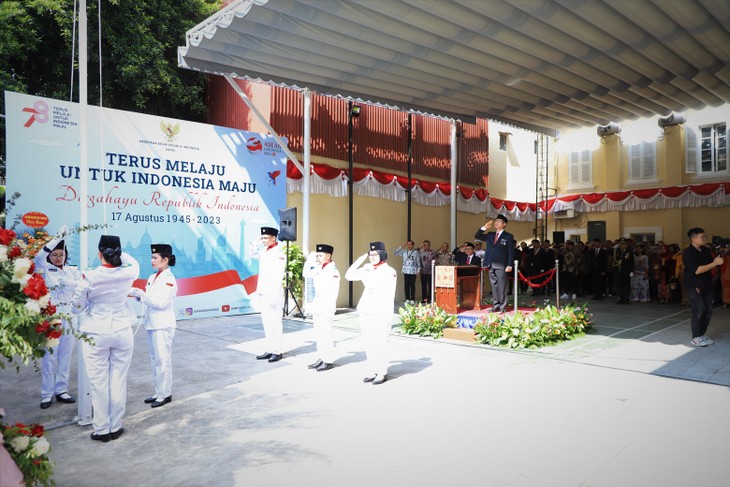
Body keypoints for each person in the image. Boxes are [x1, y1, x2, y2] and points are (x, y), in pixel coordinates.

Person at [71, 235, 139, 442]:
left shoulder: (89, 276)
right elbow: (133, 261)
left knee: (99, 382)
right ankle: (116, 426)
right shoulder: (130, 271)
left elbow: (76, 307)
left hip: (96, 332)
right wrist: (119, 252)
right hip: (122, 330)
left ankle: (101, 430)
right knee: (118, 379)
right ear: (118, 252)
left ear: (99, 253)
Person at [34, 226, 81, 409]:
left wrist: (71, 284)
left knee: (66, 355)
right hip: (52, 318)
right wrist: (58, 237)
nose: (58, 258)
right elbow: (39, 255)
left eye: (61, 255)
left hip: (69, 318)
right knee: (49, 357)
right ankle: (46, 394)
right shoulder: (45, 268)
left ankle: (62, 390)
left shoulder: (72, 271)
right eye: (54, 255)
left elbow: (83, 286)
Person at [129, 244, 178, 408]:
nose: (152, 260)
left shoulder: (169, 280)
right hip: (152, 323)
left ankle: (165, 394)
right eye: (151, 257)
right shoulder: (152, 277)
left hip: (163, 324)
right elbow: (149, 298)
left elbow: (160, 302)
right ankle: (159, 392)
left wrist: (141, 295)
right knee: (155, 360)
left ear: (165, 260)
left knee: (163, 360)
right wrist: (139, 295)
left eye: (155, 258)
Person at [345, 241, 397, 385]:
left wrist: (387, 315)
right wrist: (361, 259)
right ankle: (373, 370)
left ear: (382, 254)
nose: (372, 257)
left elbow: (388, 294)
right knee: (369, 342)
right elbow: (348, 276)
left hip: (381, 311)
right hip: (366, 309)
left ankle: (382, 372)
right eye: (370, 254)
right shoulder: (367, 268)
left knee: (380, 342)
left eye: (375, 254)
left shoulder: (389, 271)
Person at [682, 228, 724, 347]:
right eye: (702, 237)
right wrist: (715, 263)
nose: (705, 239)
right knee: (699, 310)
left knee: (709, 312)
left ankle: (701, 335)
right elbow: (697, 270)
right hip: (693, 285)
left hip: (707, 285)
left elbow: (709, 266)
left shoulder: (705, 250)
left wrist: (717, 261)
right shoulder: (688, 252)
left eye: (705, 236)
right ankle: (695, 336)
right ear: (693, 239)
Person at [302, 244, 340, 372]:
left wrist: (327, 308)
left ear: (328, 256)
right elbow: (305, 273)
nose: (318, 257)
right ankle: (322, 357)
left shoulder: (333, 271)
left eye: (320, 255)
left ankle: (328, 360)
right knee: (319, 334)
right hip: (318, 305)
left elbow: (333, 293)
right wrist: (309, 260)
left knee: (326, 334)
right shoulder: (319, 268)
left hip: (326, 306)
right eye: (317, 255)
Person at [253, 227, 287, 363]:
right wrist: (256, 242)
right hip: (263, 291)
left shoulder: (279, 252)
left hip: (274, 293)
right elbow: (252, 253)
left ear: (274, 237)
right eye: (262, 238)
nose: (263, 240)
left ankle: (277, 351)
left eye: (265, 238)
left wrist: (273, 295)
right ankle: (270, 348)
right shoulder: (264, 251)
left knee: (275, 323)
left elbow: (278, 275)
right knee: (266, 323)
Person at [475, 214, 515, 312]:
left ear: (504, 224)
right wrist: (484, 227)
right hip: (490, 263)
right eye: (496, 221)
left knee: (502, 286)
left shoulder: (508, 236)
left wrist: (509, 264)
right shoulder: (490, 235)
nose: (496, 222)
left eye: (499, 221)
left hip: (501, 264)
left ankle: (502, 306)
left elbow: (511, 251)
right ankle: (496, 305)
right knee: (494, 285)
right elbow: (477, 236)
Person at [394, 240, 420, 305]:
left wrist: (418, 271)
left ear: (413, 245)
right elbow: (395, 252)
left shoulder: (416, 252)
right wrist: (402, 246)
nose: (409, 246)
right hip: (406, 270)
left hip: (413, 270)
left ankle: (412, 298)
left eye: (410, 244)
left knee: (412, 285)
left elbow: (418, 262)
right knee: (406, 285)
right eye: (408, 244)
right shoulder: (404, 252)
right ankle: (407, 298)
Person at [613, 238, 634, 304]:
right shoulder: (617, 250)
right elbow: (615, 259)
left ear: (626, 244)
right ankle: (621, 298)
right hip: (619, 270)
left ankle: (626, 299)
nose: (622, 245)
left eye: (624, 244)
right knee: (620, 285)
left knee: (626, 285)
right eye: (621, 243)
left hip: (626, 270)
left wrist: (631, 271)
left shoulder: (628, 251)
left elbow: (630, 261)